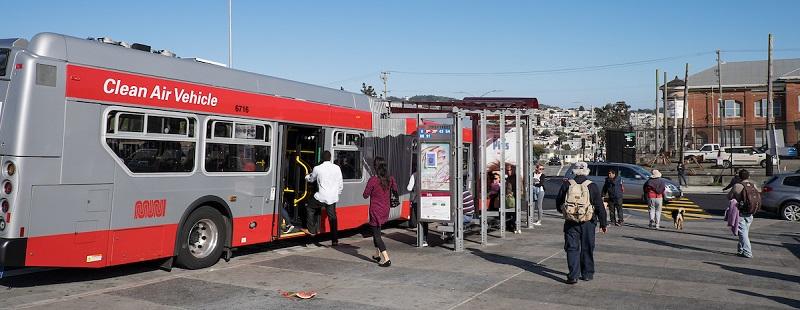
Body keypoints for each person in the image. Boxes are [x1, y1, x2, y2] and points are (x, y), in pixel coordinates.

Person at [556, 162, 608, 284]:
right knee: (587, 247)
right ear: (586, 171)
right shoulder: (592, 186)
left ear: (574, 171)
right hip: (588, 222)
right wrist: (603, 224)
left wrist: (568, 213)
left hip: (570, 222)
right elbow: (600, 206)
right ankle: (587, 273)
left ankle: (573, 275)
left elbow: (558, 203)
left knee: (572, 248)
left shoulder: (567, 184)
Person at [303, 151, 344, 246]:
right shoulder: (337, 168)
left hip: (321, 196)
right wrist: (337, 194)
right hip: (332, 197)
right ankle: (335, 240)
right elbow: (340, 183)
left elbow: (311, 179)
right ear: (330, 158)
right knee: (332, 218)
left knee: (310, 207)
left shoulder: (317, 168)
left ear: (321, 158)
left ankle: (312, 230)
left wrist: (306, 177)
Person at [363, 156, 397, 267]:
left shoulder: (373, 180)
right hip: (385, 209)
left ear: (375, 167)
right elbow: (395, 190)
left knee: (377, 236)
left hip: (375, 210)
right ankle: (377, 254)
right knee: (376, 231)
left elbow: (365, 195)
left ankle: (386, 259)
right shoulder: (390, 179)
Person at [726, 169, 760, 258]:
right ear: (749, 176)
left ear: (739, 177)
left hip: (740, 213)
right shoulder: (753, 185)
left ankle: (748, 252)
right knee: (744, 233)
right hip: (750, 212)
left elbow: (729, 197)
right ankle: (740, 250)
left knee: (743, 233)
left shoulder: (737, 186)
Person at [407, 161, 429, 247]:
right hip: (426, 201)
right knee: (425, 221)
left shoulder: (414, 175)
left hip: (417, 201)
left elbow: (409, 188)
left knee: (419, 220)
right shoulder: (427, 175)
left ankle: (420, 239)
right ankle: (425, 239)